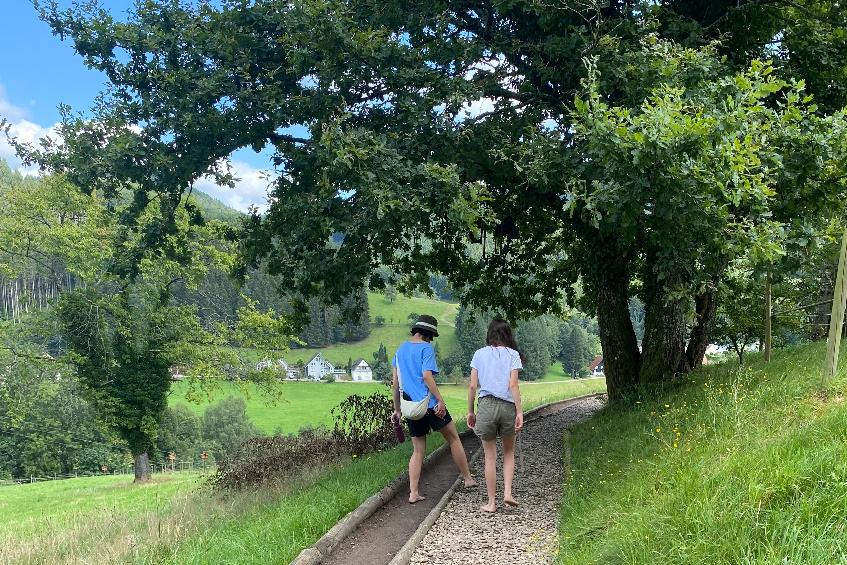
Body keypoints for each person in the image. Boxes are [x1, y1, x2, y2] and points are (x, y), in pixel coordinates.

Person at [392, 314, 476, 503]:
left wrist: (397, 410)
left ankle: (413, 493)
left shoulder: (400, 351)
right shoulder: (425, 348)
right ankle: (468, 479)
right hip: (430, 405)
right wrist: (440, 400)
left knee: (418, 450)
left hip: (412, 408)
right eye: (431, 335)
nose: (431, 339)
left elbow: (395, 384)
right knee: (454, 439)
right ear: (427, 333)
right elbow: (427, 376)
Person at [467, 318, 525, 513]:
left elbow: (473, 386)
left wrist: (470, 411)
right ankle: (507, 493)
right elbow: (513, 386)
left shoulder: (479, 354)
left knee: (490, 456)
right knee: (509, 452)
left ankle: (491, 503)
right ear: (507, 335)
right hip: (508, 406)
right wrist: (519, 411)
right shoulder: (513, 355)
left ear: (490, 334)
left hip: (486, 405)